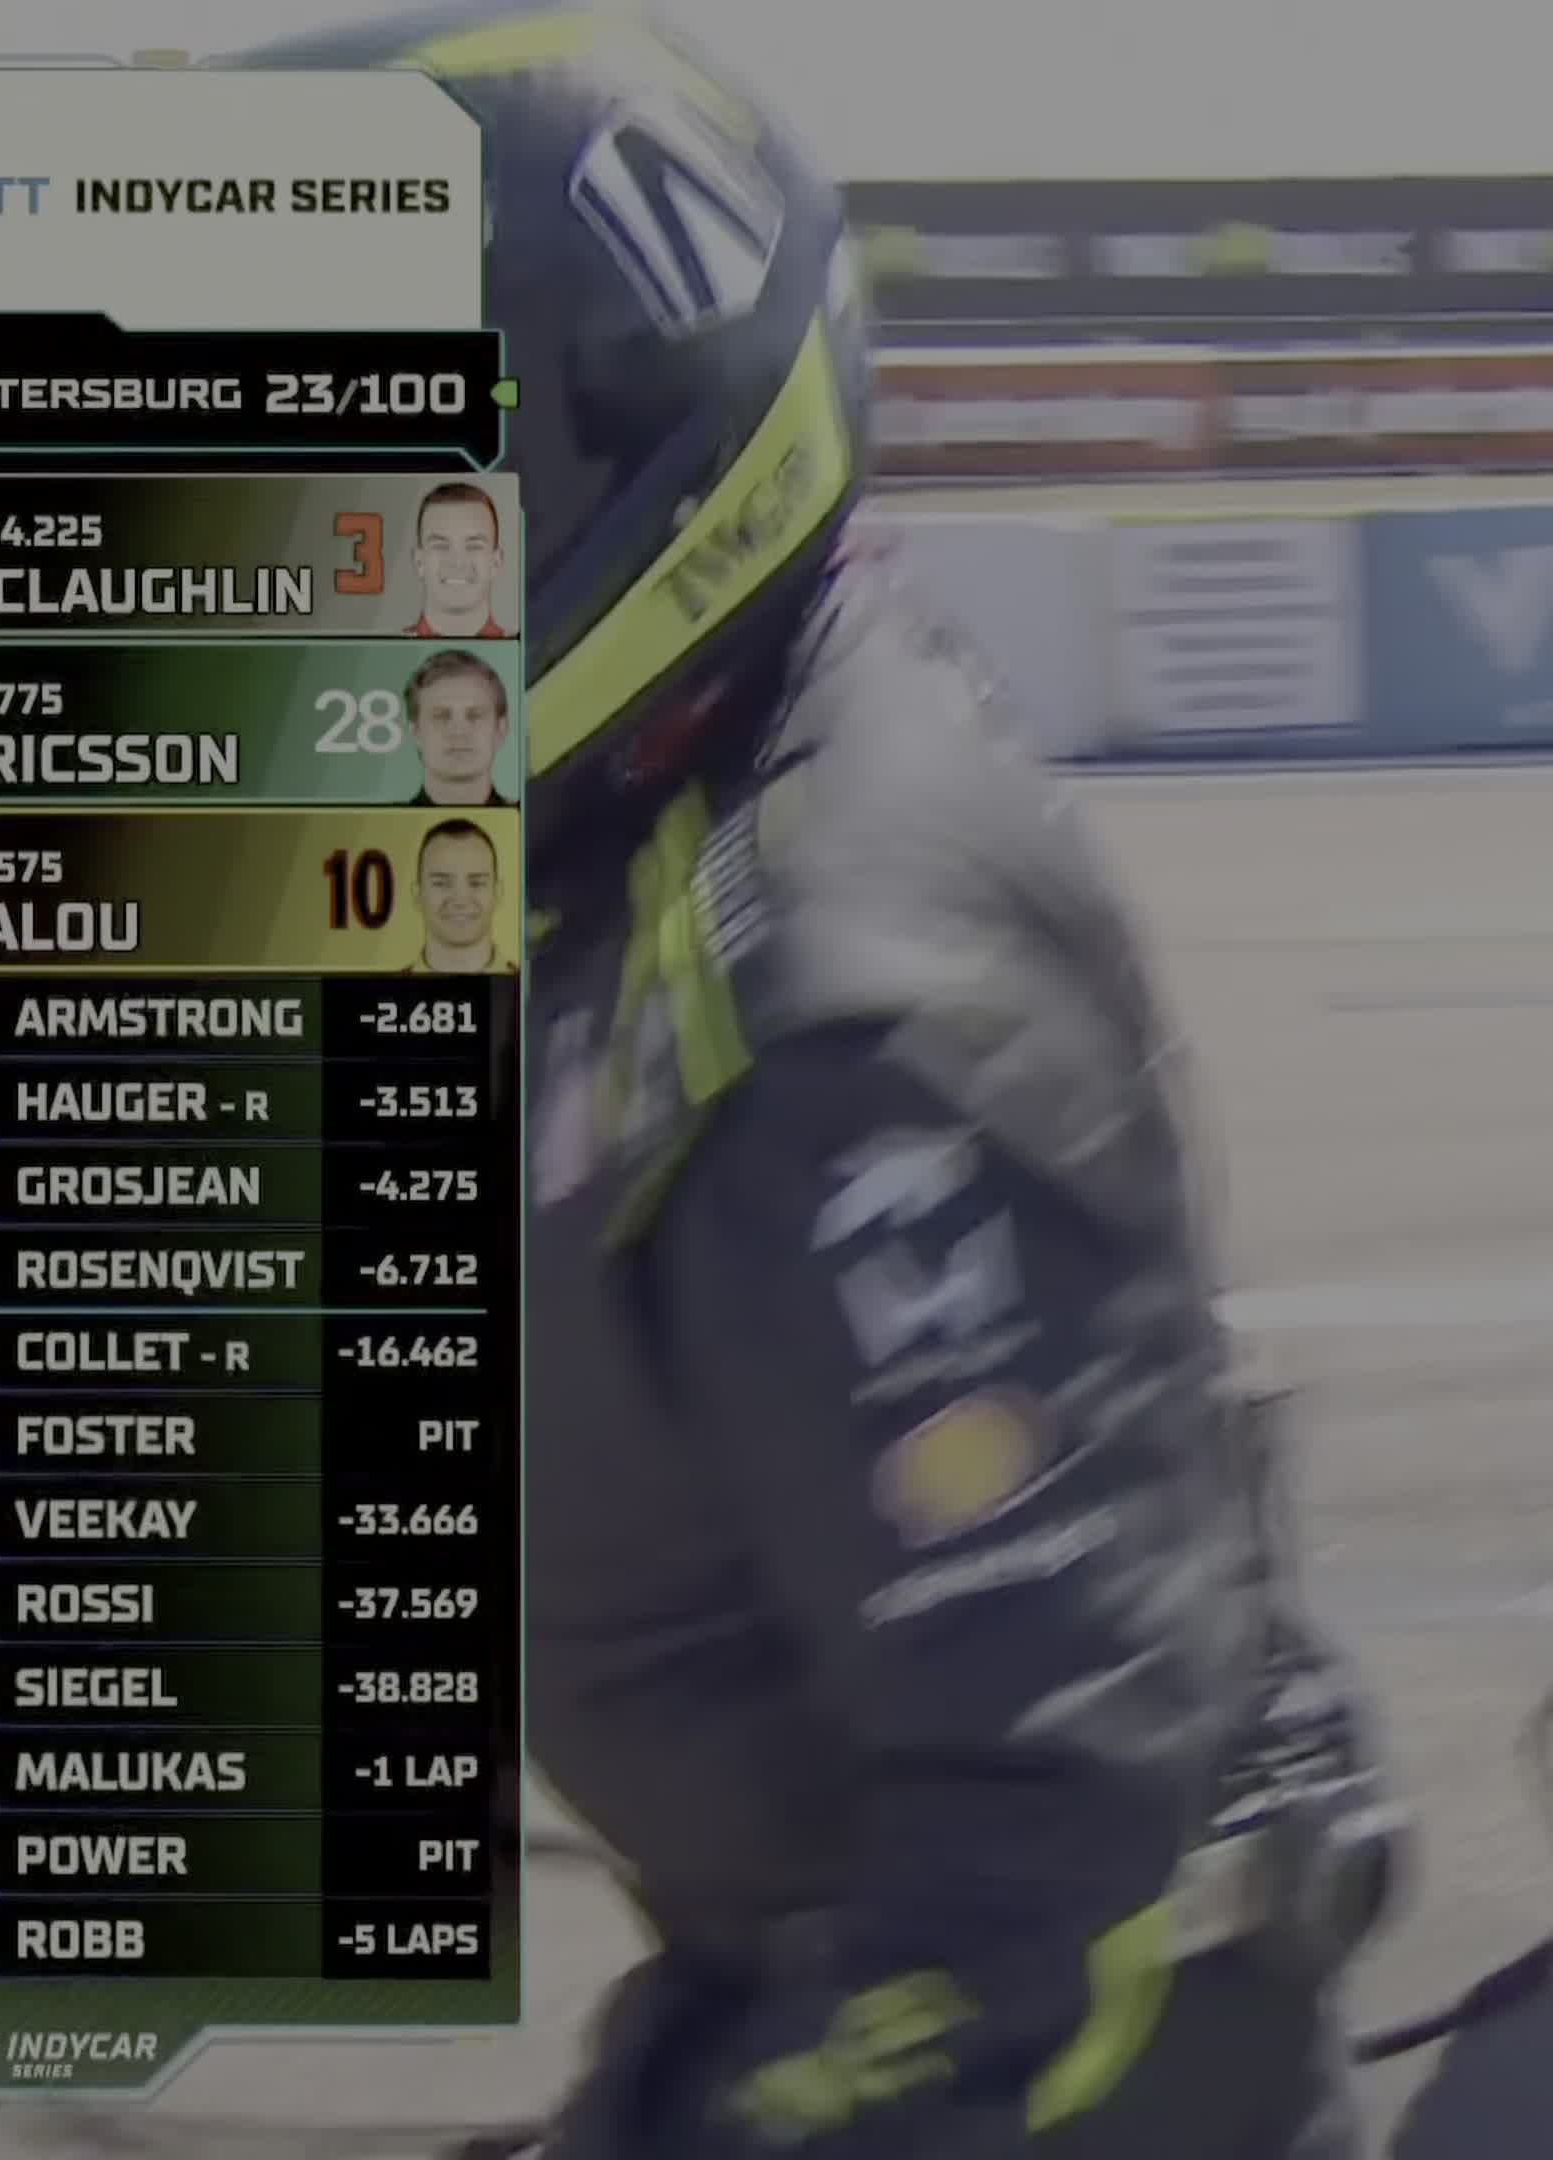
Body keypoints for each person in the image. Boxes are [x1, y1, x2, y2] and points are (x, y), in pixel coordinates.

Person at [239, 10, 1390, 2158]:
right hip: (812, 1946)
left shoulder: (845, 1044)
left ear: (618, 439)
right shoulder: (669, 777)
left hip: (1042, 2070)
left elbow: (1060, 1847)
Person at [405, 648, 516, 806]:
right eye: (441, 716)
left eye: (475, 715)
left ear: (501, 729)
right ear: (416, 732)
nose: (458, 731)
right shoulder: (381, 821)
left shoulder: (533, 819)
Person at [407, 480, 516, 637]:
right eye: (441, 545)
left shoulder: (531, 649)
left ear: (496, 562)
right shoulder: (384, 650)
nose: (457, 562)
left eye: (474, 546)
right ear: (419, 562)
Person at [404, 817, 507, 974]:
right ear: (417, 895)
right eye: (441, 883)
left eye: (476, 883)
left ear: (497, 894)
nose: (460, 900)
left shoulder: (531, 985)